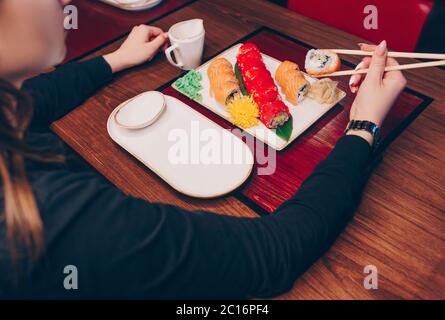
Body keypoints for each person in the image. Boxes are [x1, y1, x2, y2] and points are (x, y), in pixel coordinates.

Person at [0, 0, 406, 299]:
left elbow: (31, 98)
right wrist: (363, 125)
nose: (66, 1)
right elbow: (273, 252)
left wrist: (115, 60)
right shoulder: (55, 219)